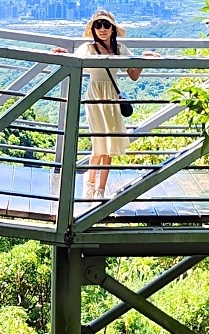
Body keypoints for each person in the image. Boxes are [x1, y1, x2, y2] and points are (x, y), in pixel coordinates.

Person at [52, 10, 160, 199]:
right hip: (94, 97)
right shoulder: (89, 48)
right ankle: (90, 181)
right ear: (93, 29)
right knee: (99, 143)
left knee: (110, 144)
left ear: (113, 28)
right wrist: (62, 53)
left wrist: (144, 59)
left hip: (112, 97)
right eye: (98, 25)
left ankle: (100, 189)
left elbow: (133, 75)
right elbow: (74, 60)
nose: (102, 29)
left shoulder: (120, 49)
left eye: (106, 25)